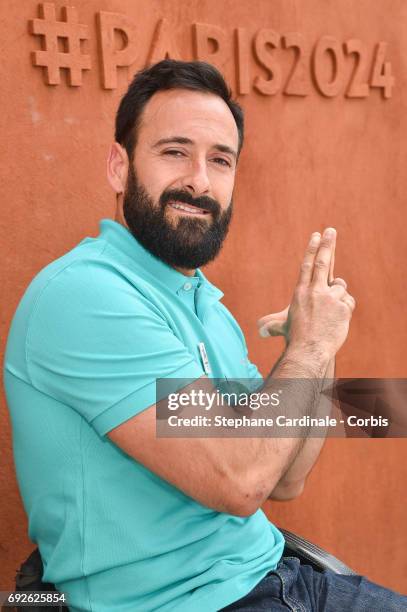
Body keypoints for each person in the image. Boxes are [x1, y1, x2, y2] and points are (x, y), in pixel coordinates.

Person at [3, 59, 406, 612]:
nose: (199, 179)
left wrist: (317, 349)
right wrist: (308, 348)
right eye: (175, 152)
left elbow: (284, 476)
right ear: (119, 167)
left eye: (221, 160)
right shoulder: (87, 296)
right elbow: (241, 482)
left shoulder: (205, 306)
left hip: (275, 576)